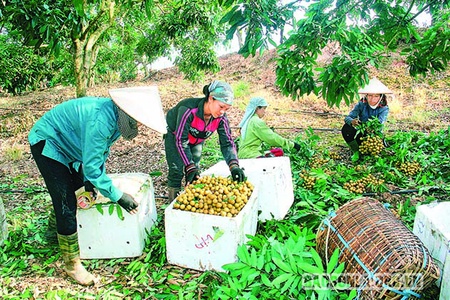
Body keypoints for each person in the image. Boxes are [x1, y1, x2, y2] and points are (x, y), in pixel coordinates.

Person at [28, 86, 167, 285]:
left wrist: (88, 183)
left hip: (72, 145)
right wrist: (118, 196)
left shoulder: (116, 118)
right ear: (127, 112)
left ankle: (53, 233)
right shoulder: (101, 119)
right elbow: (93, 167)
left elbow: (99, 152)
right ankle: (72, 264)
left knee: (76, 192)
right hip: (49, 141)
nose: (138, 125)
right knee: (66, 200)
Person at [164, 80, 245, 202]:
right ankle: (171, 205)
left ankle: (190, 202)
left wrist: (234, 165)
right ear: (211, 98)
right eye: (221, 106)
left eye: (227, 109)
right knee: (176, 170)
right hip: (176, 137)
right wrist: (189, 166)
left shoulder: (221, 118)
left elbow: (227, 142)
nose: (222, 111)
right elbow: (181, 140)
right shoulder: (188, 109)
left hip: (196, 140)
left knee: (194, 172)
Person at [341, 78, 393, 152]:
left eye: (376, 96)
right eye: (370, 96)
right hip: (361, 132)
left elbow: (379, 124)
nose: (372, 99)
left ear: (381, 97)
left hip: (374, 134)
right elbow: (348, 118)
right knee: (346, 128)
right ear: (366, 96)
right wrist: (352, 121)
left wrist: (371, 129)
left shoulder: (384, 108)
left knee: (376, 148)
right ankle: (356, 150)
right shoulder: (361, 104)